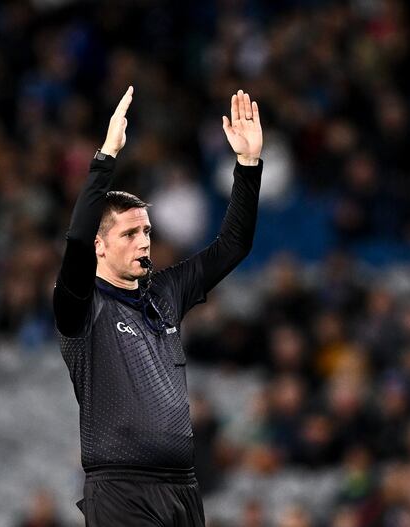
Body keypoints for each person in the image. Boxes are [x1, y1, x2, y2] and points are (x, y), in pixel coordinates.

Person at [52, 86, 262, 525]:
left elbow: (233, 246)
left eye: (146, 232)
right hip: (121, 490)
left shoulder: (164, 292)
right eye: (129, 234)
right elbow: (72, 243)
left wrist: (247, 166)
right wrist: (105, 158)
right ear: (99, 245)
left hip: (182, 488)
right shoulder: (81, 305)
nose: (144, 242)